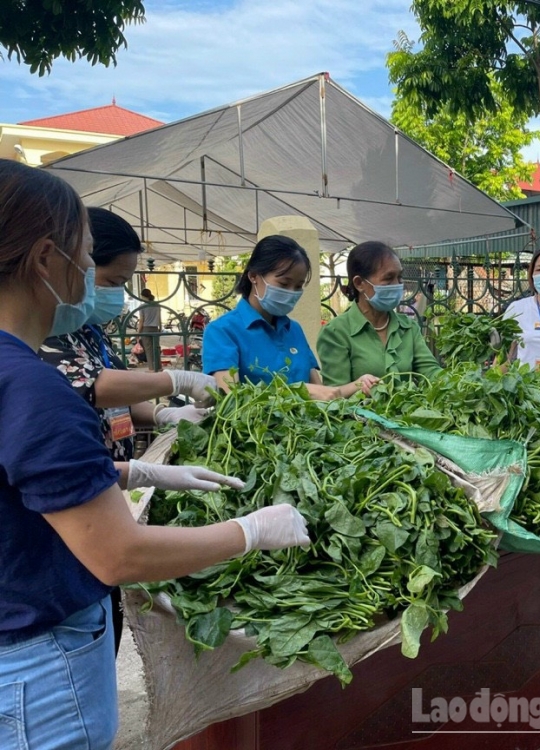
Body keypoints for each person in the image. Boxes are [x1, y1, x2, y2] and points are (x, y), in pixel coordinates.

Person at [0, 159, 311, 749]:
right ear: (44, 259)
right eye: (85, 256)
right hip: (38, 667)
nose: (94, 276)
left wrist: (132, 471)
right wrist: (249, 531)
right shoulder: (35, 387)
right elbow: (119, 556)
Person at [39, 207, 230, 656]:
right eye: (107, 278)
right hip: (72, 502)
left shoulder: (86, 329)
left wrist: (163, 415)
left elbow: (118, 390)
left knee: (104, 610)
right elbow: (94, 385)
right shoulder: (37, 336)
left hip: (106, 479)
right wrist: (176, 380)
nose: (116, 294)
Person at [202, 235, 369, 399]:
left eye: (298, 286)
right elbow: (231, 402)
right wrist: (295, 392)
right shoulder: (222, 332)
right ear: (253, 276)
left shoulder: (293, 329)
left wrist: (357, 385)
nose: (291, 293)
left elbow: (321, 393)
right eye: (283, 284)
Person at [316, 240, 441, 387]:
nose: (397, 285)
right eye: (388, 278)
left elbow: (430, 371)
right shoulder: (336, 333)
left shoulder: (408, 328)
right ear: (359, 283)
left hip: (410, 410)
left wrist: (460, 381)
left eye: (399, 277)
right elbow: (336, 395)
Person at [137, 287, 162, 372]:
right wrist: (160, 328)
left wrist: (138, 332)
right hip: (155, 328)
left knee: (148, 349)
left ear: (144, 296)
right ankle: (159, 367)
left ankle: (151, 368)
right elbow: (159, 317)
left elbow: (141, 320)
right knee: (157, 348)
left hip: (146, 329)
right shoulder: (157, 304)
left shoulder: (142, 306)